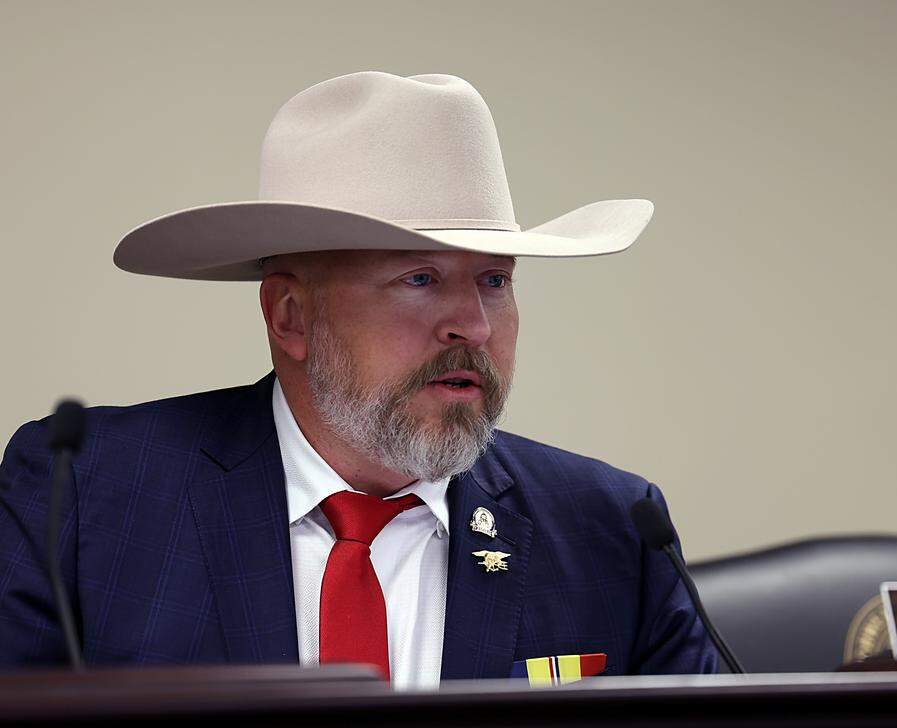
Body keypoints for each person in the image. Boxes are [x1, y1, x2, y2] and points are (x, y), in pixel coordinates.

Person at [0, 71, 716, 686]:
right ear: (291, 316)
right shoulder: (86, 495)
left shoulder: (611, 529)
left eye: (495, 280)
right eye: (420, 278)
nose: (474, 324)